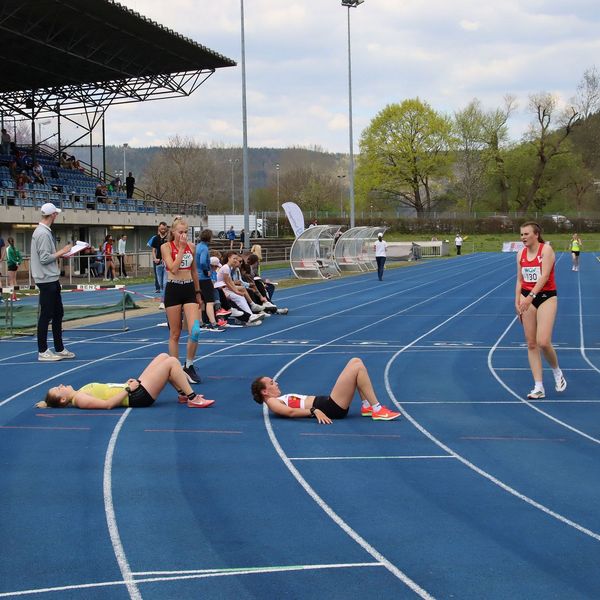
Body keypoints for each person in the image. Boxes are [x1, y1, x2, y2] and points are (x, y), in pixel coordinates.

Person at [35, 353, 214, 409]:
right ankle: (192, 398)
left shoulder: (79, 392)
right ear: (63, 399)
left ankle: (183, 394)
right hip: (137, 396)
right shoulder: (80, 399)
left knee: (163, 356)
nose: (60, 385)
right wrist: (128, 389)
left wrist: (125, 384)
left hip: (132, 389)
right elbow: (108, 405)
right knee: (172, 362)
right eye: (58, 389)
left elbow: (108, 389)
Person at [251, 357, 401, 423]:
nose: (276, 383)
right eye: (272, 383)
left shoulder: (276, 399)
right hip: (331, 408)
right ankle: (377, 409)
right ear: (264, 392)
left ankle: (367, 406)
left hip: (329, 403)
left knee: (356, 361)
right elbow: (290, 412)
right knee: (357, 367)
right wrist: (313, 411)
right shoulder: (272, 402)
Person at [516, 221, 566, 400]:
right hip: (526, 297)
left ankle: (557, 372)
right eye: (521, 234)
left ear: (536, 234)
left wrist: (530, 296)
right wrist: (517, 302)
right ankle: (538, 387)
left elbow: (544, 276)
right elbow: (520, 280)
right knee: (531, 343)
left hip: (546, 297)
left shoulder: (546, 250)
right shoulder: (520, 254)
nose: (523, 238)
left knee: (543, 341)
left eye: (526, 234)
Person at [30, 203, 76, 362]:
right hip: (46, 279)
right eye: (56, 213)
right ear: (53, 215)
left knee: (58, 313)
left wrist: (60, 254)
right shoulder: (42, 233)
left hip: (51, 278)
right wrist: (63, 251)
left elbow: (47, 256)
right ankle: (42, 350)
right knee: (46, 314)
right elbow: (44, 259)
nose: (57, 216)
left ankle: (59, 347)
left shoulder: (43, 231)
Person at [160, 216, 202, 384]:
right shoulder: (165, 247)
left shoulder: (192, 246)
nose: (183, 235)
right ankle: (175, 368)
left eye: (186, 232)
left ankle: (189, 365)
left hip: (189, 288)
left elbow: (194, 271)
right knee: (175, 333)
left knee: (195, 330)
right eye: (180, 232)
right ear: (173, 232)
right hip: (173, 289)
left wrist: (198, 293)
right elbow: (173, 268)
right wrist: (182, 249)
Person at [195, 229, 224, 331]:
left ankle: (201, 322)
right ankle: (213, 323)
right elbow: (203, 261)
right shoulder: (204, 248)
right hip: (204, 277)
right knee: (210, 301)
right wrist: (206, 270)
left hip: (196, 277)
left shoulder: (197, 246)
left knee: (200, 301)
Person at [150, 221, 168, 301]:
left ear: (166, 228)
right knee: (160, 283)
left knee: (165, 282)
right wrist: (155, 258)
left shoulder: (169, 238)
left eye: (164, 229)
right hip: (158, 263)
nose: (163, 230)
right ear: (159, 228)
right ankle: (163, 294)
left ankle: (164, 299)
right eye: (161, 229)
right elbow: (153, 250)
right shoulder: (155, 238)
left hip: (167, 262)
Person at [6, 236, 22, 301]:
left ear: (8, 242)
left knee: (11, 281)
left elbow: (10, 258)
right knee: (14, 280)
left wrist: (15, 262)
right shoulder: (16, 248)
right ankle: (15, 296)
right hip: (16, 265)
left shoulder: (8, 248)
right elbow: (20, 257)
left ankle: (13, 297)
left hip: (11, 265)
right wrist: (18, 263)